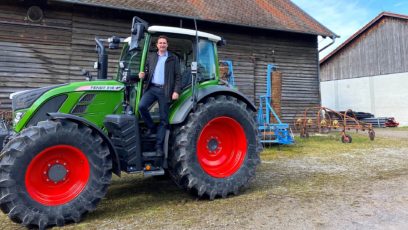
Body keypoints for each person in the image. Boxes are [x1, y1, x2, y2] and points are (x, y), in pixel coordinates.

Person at [138, 35, 181, 156]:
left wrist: (176, 91)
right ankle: (151, 127)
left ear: (167, 45)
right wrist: (143, 75)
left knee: (163, 120)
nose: (162, 45)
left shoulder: (173, 59)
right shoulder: (152, 57)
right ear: (157, 45)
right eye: (160, 43)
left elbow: (178, 76)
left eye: (164, 43)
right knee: (141, 106)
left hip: (165, 90)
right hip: (152, 88)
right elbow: (148, 72)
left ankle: (158, 147)